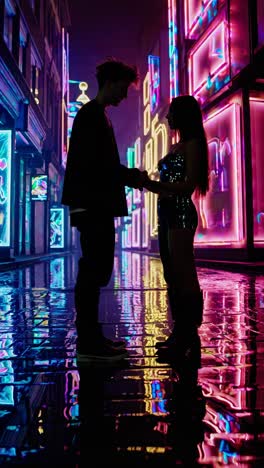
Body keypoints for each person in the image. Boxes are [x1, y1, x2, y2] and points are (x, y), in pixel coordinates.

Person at [61, 58, 147, 362]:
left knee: (96, 269)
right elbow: (101, 165)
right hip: (92, 203)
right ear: (110, 83)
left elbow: (102, 165)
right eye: (123, 88)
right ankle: (88, 341)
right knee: (93, 269)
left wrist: (127, 176)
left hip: (95, 203)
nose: (124, 95)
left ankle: (92, 337)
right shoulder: (91, 115)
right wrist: (132, 176)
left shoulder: (97, 115)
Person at [142, 95, 209, 354]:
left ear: (183, 116)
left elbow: (188, 185)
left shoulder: (193, 145)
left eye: (171, 113)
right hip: (167, 213)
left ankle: (188, 334)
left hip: (180, 213)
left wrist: (153, 185)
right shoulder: (180, 144)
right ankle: (179, 331)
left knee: (183, 274)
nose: (167, 117)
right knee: (171, 274)